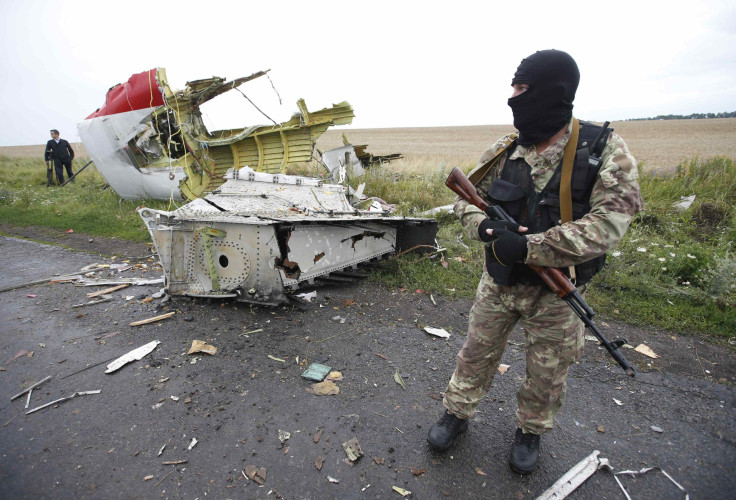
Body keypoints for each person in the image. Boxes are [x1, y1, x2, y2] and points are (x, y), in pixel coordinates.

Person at [427, 50, 644, 475]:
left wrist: (530, 248)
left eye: (523, 89)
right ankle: (456, 414)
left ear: (554, 92)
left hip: (556, 290)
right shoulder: (507, 148)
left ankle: (531, 431)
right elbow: (467, 200)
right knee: (475, 355)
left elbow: (610, 224)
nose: (513, 98)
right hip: (499, 282)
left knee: (548, 372)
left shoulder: (602, 149)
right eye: (513, 88)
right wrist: (486, 230)